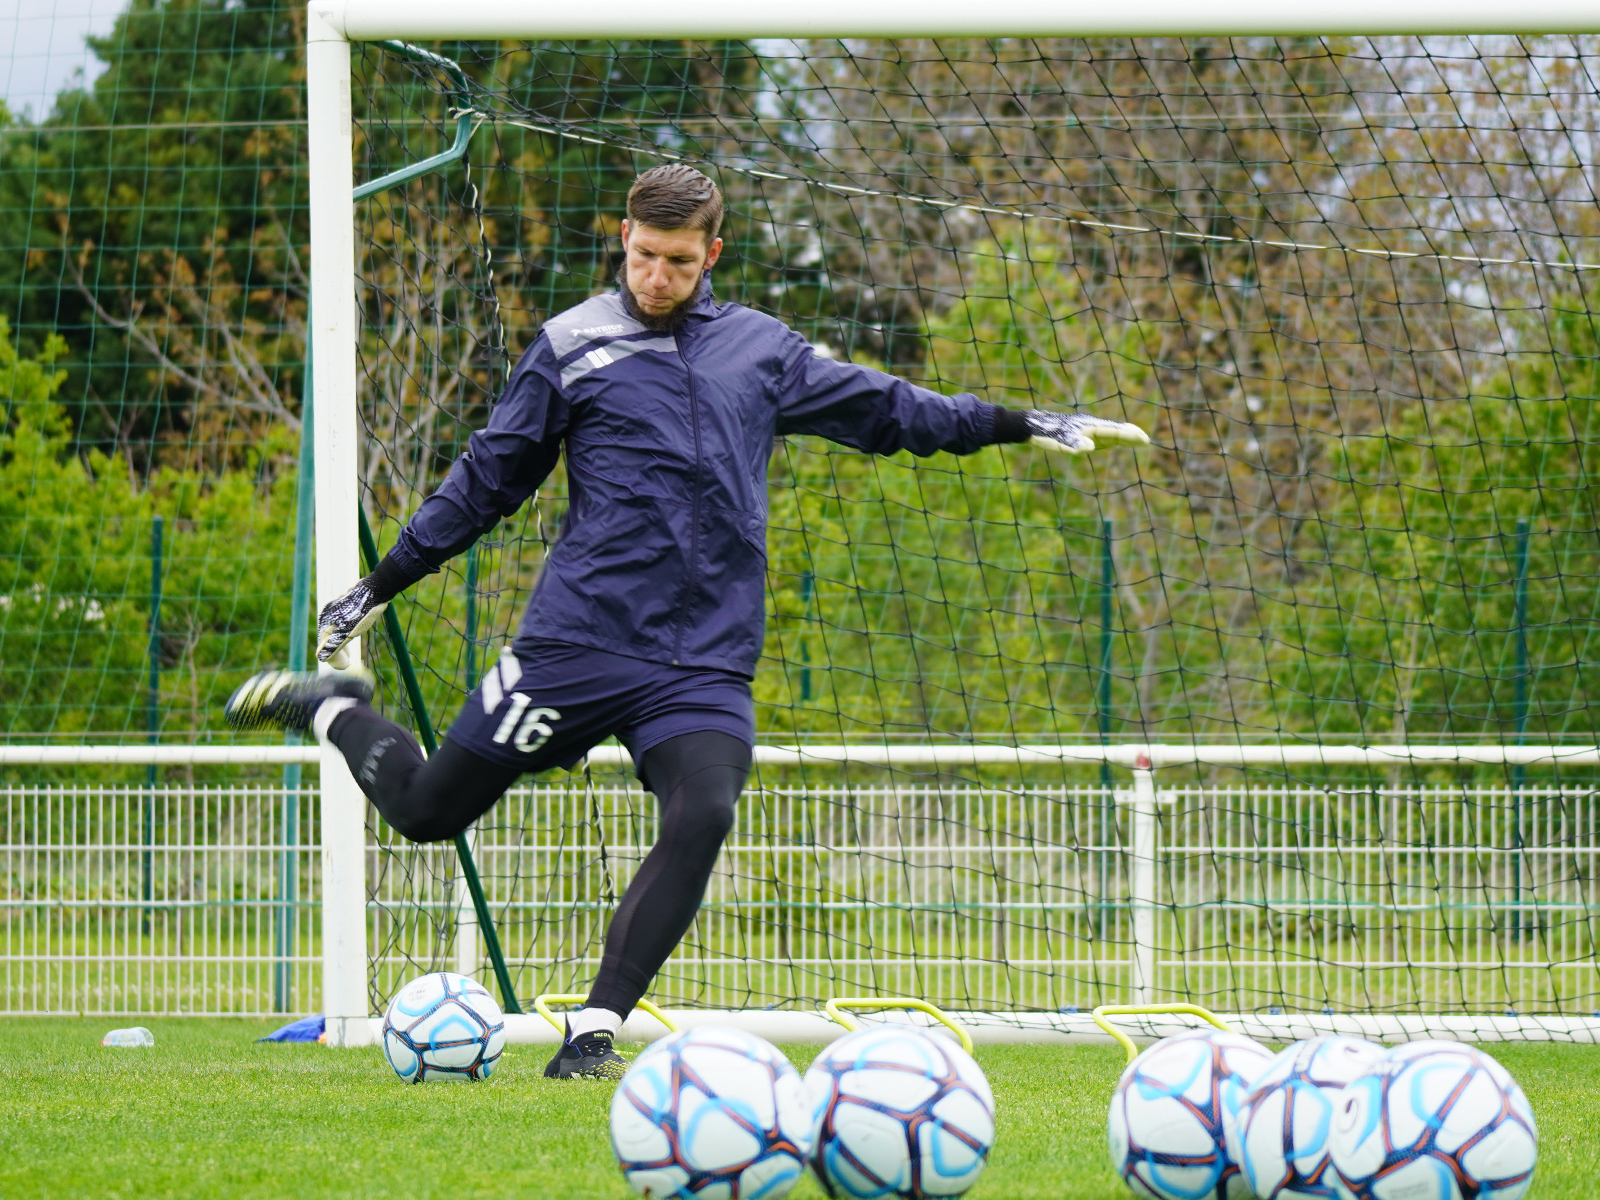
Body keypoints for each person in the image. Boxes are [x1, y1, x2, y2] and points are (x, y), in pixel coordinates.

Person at [225, 164, 1148, 1079]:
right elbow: (487, 481)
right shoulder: (569, 346)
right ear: (621, 239)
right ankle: (338, 708)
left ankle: (594, 1030)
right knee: (428, 813)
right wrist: (385, 581)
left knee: (703, 808)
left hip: (702, 659)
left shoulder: (761, 350)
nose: (656, 277)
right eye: (642, 256)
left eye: (677, 261)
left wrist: (1021, 423)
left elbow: (890, 409)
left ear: (713, 253)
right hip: (577, 640)